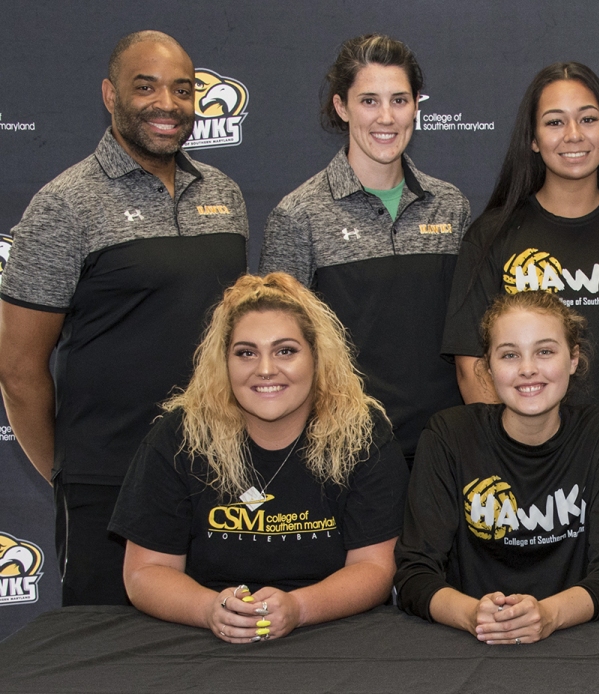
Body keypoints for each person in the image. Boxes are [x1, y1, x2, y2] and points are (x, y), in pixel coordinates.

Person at [0, 30, 248, 606]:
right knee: (106, 655)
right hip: (108, 484)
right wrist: (73, 473)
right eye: (147, 87)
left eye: (183, 90)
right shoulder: (64, 204)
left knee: (220, 649)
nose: (167, 104)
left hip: (220, 472)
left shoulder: (226, 194)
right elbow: (17, 368)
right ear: (111, 95)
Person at [440, 62, 599, 600]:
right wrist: (525, 465)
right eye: (554, 122)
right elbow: (471, 365)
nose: (573, 136)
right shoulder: (493, 236)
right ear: (532, 138)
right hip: (510, 485)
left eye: (588, 119)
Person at [109, 273, 405, 643]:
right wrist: (210, 610)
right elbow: (145, 572)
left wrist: (298, 608)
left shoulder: (362, 432)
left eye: (285, 351)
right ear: (224, 362)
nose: (265, 369)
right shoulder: (179, 435)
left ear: (316, 357)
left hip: (330, 632)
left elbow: (374, 568)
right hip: (203, 638)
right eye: (246, 353)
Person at [260, 34, 470, 469]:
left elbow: (470, 337)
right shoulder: (298, 215)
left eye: (399, 100)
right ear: (342, 107)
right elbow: (279, 348)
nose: (387, 117)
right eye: (369, 101)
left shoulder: (452, 205)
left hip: (444, 452)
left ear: (416, 105)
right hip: (347, 454)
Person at [398, 291, 599, 644]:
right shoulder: (449, 435)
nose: (528, 368)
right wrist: (471, 615)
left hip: (577, 641)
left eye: (545, 351)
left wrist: (548, 615)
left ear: (573, 359)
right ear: (487, 366)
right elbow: (414, 574)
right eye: (510, 354)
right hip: (471, 644)